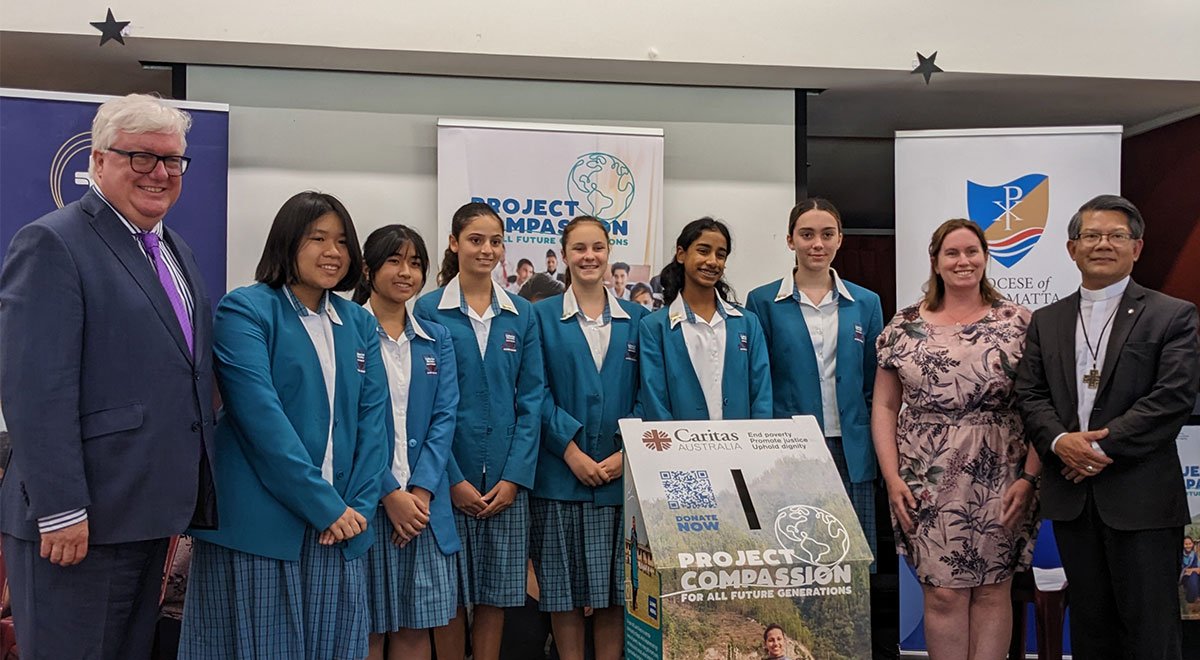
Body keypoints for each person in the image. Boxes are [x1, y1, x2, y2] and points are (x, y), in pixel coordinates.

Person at [0, 93, 218, 659]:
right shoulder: (53, 243)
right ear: (98, 161)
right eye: (140, 157)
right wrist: (62, 509)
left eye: (172, 160)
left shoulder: (176, 250)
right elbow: (34, 391)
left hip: (148, 514)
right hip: (81, 523)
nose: (160, 173)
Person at [180, 192, 389, 659]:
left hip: (341, 528)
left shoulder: (357, 321)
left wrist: (354, 508)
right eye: (317, 238)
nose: (333, 252)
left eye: (341, 241)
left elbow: (375, 425)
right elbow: (262, 425)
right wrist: (326, 507)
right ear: (287, 242)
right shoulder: (246, 310)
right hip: (262, 527)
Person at [1014, 194, 1200, 659]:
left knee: (1150, 630)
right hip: (1074, 501)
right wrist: (1059, 442)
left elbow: (1172, 398)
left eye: (1116, 236)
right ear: (1071, 248)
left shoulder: (1172, 315)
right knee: (1092, 628)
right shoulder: (1047, 320)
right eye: (1091, 235)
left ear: (1136, 248)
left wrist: (1092, 450)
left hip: (1142, 498)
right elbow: (1030, 394)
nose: (1103, 244)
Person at [873, 219, 1039, 660]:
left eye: (972, 251)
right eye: (952, 253)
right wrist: (892, 478)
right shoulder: (904, 325)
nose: (963, 261)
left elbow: (1039, 405)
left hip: (1000, 472)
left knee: (991, 589)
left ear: (985, 257)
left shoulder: (1018, 321)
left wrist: (1029, 476)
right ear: (935, 261)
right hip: (925, 474)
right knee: (943, 594)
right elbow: (885, 407)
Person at [414, 202, 545, 660]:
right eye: (475, 240)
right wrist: (449, 481)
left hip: (506, 484)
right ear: (453, 243)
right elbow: (425, 406)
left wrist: (513, 479)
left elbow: (532, 401)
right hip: (448, 481)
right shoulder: (428, 310)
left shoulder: (521, 314)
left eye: (495, 241)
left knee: (495, 592)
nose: (486, 250)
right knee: (448, 593)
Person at [746, 198, 884, 568]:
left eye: (826, 234)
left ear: (841, 239)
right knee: (795, 559)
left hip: (852, 448)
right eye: (806, 235)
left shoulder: (867, 303)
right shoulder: (762, 302)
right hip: (790, 449)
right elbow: (759, 381)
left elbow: (875, 384)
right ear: (790, 241)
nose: (817, 244)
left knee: (852, 562)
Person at [531, 216, 645, 660]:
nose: (589, 257)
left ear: (610, 251)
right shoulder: (538, 317)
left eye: (597, 247)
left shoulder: (639, 319)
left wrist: (623, 453)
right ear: (563, 254)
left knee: (617, 595)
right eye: (579, 248)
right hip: (559, 477)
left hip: (621, 481)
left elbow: (648, 395)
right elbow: (532, 391)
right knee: (562, 596)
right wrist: (570, 450)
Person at [353, 225, 461, 660]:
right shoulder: (346, 332)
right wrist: (389, 494)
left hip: (423, 508)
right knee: (367, 630)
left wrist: (418, 491)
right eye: (394, 261)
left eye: (416, 264)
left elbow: (444, 418)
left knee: (417, 627)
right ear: (368, 269)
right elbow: (348, 425)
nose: (406, 272)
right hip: (364, 502)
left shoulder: (438, 338)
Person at [638, 217, 772, 421]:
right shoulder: (654, 326)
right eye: (703, 250)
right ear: (681, 254)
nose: (712, 261)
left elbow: (761, 393)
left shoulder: (747, 322)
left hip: (742, 448)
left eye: (721, 255)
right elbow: (655, 400)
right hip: (683, 447)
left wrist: (757, 443)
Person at [1182, 536, 1200, 604]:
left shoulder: (1194, 555)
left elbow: (1198, 568)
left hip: (1194, 574)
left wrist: (1192, 570)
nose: (1188, 546)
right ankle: (1192, 599)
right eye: (1186, 544)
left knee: (1195, 575)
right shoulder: (1181, 556)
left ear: (1192, 544)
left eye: (1190, 544)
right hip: (1185, 577)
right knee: (1193, 576)